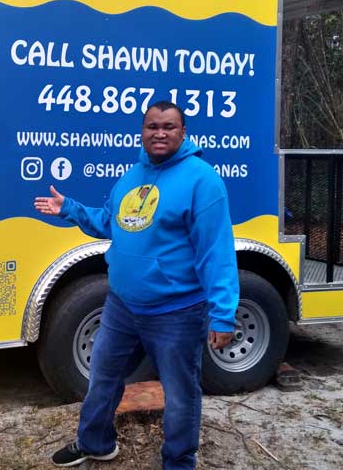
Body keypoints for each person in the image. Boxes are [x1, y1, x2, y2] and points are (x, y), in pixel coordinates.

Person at [34, 101, 239, 470]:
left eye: (169, 126)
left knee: (180, 395)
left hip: (176, 312)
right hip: (122, 306)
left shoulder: (203, 180)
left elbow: (217, 252)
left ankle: (178, 463)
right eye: (152, 126)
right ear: (142, 131)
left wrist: (223, 315)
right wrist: (70, 208)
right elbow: (109, 223)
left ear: (183, 133)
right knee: (102, 375)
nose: (159, 133)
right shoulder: (131, 177)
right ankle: (95, 442)